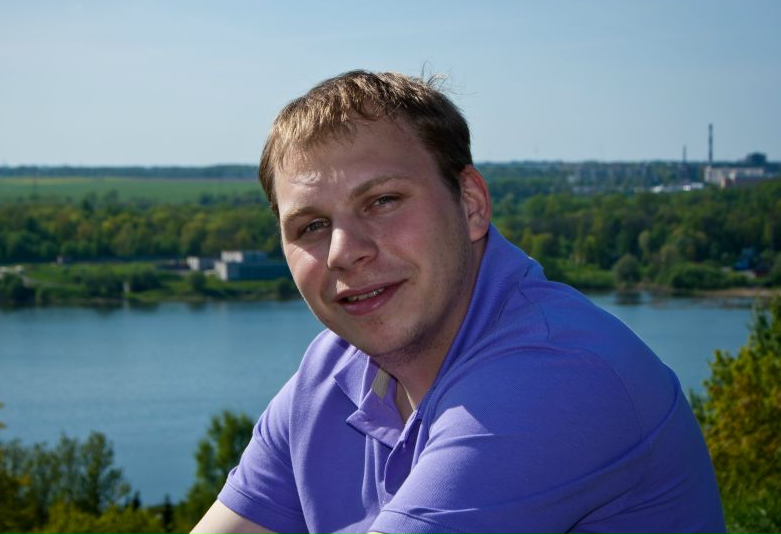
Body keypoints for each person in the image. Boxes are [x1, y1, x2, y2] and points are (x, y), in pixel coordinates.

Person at [191, 70, 725, 534]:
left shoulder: (557, 375)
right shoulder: (330, 374)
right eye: (311, 226)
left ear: (470, 205)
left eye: (382, 201)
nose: (343, 252)